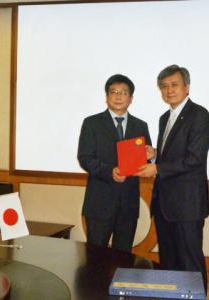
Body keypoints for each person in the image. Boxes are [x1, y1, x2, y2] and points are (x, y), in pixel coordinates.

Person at [136, 65, 209, 293]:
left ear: (186, 87)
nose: (169, 90)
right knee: (169, 262)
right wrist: (155, 154)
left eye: (174, 85)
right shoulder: (164, 118)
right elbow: (175, 155)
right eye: (164, 86)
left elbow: (195, 158)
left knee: (190, 262)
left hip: (188, 204)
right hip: (164, 204)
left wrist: (157, 168)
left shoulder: (199, 115)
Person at [78, 74, 152, 253]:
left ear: (131, 98)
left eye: (124, 92)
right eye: (114, 92)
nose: (118, 96)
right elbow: (85, 157)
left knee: (123, 255)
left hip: (128, 203)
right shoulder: (92, 123)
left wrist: (152, 155)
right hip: (100, 202)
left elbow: (145, 159)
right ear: (106, 97)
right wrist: (109, 171)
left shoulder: (140, 125)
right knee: (95, 256)